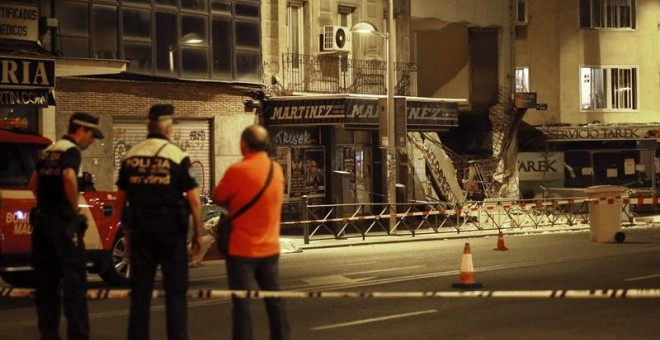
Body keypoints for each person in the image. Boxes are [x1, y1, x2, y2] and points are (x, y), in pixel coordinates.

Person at [114, 104, 204, 340]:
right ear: (167, 126)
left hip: (141, 229)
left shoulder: (130, 155)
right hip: (170, 231)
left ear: (148, 125)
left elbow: (121, 199)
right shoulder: (177, 155)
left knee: (140, 294)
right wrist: (198, 234)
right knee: (175, 292)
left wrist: (127, 233)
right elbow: (194, 199)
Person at [28, 112, 104, 340]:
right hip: (63, 226)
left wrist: (46, 203)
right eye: (91, 136)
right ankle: (78, 335)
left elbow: (33, 182)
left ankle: (49, 334)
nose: (91, 142)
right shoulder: (71, 151)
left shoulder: (49, 151)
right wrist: (74, 210)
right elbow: (69, 176)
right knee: (74, 285)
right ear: (81, 130)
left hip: (42, 225)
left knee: (46, 286)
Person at [213, 124, 290, 340]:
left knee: (242, 307)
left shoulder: (237, 170)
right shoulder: (276, 170)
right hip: (270, 249)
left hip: (241, 250)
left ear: (243, 144)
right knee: (275, 302)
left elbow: (218, 196)